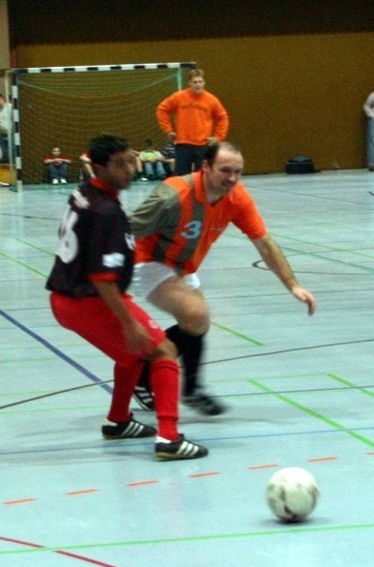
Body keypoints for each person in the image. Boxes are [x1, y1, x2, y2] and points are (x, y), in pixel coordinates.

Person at [46, 135, 208, 461]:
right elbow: (103, 280)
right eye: (119, 164)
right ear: (99, 167)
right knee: (163, 350)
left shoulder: (84, 194)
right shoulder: (107, 212)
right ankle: (169, 438)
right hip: (88, 300)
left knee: (131, 355)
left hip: (66, 297)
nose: (129, 170)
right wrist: (129, 322)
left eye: (130, 161)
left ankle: (118, 421)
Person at [129, 142, 317, 415]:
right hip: (149, 261)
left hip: (184, 265)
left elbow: (264, 243)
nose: (232, 178)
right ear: (205, 166)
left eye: (237, 171)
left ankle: (161, 380)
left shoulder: (236, 197)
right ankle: (171, 383)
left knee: (195, 324)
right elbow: (128, 229)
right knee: (197, 315)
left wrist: (293, 285)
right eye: (225, 170)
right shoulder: (173, 194)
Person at [156, 68, 229, 176]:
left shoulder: (212, 100)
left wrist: (218, 137)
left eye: (200, 82)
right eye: (195, 82)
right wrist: (168, 130)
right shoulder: (179, 97)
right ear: (190, 83)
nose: (198, 85)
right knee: (181, 178)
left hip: (203, 145)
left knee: (203, 177)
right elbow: (161, 109)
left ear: (204, 83)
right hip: (183, 144)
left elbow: (223, 118)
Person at [0, 94, 11, 163]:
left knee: (9, 157)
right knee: (4, 156)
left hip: (10, 136)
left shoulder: (10, 107)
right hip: (2, 136)